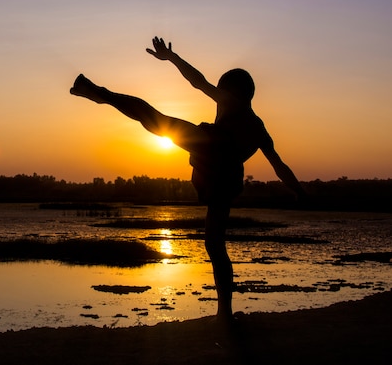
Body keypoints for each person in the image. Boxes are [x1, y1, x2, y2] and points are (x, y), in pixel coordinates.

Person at [70, 37, 306, 322]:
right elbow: (279, 165)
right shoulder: (255, 124)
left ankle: (98, 93)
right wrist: (298, 192)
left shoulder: (236, 106)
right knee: (215, 245)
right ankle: (225, 313)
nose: (219, 97)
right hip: (223, 176)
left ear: (236, 93)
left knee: (154, 119)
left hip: (213, 154)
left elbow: (198, 82)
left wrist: (172, 57)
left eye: (222, 92)